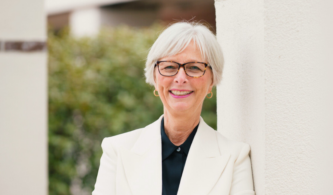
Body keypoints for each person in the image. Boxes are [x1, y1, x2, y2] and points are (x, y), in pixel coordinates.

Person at [93, 22, 255, 195]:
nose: (180, 78)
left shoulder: (235, 157)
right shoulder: (117, 151)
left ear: (212, 82)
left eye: (194, 68)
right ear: (155, 78)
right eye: (169, 67)